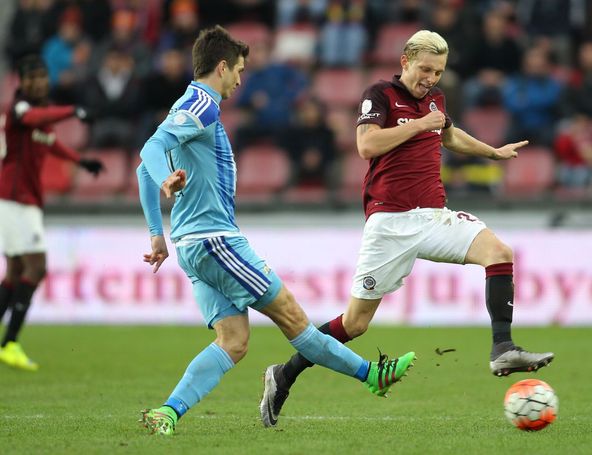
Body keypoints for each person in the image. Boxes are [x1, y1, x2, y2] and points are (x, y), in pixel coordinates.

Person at [259, 30, 555, 428]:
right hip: (390, 222)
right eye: (425, 69)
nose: (431, 78)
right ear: (405, 62)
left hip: (433, 215)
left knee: (500, 253)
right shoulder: (379, 95)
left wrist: (492, 151)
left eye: (438, 72)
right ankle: (284, 374)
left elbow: (448, 133)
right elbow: (367, 145)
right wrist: (418, 125)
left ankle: (502, 348)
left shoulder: (435, 101)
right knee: (355, 324)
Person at [135, 26, 415, 436]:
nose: (240, 80)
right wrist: (165, 183)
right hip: (216, 242)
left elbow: (145, 166)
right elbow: (150, 156)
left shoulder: (184, 106)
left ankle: (168, 413)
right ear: (223, 66)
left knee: (233, 341)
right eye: (239, 71)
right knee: (292, 317)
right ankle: (370, 374)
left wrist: (156, 233)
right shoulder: (201, 103)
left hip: (190, 246)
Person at [0, 55, 103, 371]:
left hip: (22, 200)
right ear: (22, 83)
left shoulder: (39, 119)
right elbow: (34, 121)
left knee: (16, 271)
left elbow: (50, 142)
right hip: (15, 198)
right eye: (32, 79)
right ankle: (11, 343)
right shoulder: (19, 110)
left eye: (42, 77)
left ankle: (7, 344)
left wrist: (79, 160)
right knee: (37, 266)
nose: (38, 83)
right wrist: (72, 110)